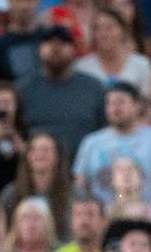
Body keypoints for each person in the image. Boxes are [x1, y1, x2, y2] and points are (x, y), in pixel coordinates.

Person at [71, 81, 151, 227]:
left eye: (121, 102)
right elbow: (80, 191)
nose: (114, 108)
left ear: (137, 105)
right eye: (110, 103)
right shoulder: (91, 143)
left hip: (148, 224)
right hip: (103, 227)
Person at [17, 25, 105, 157]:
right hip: (36, 168)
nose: (55, 48)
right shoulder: (23, 88)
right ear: (39, 50)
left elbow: (106, 133)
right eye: (49, 43)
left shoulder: (94, 87)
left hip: (82, 169)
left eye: (63, 42)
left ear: (74, 49)